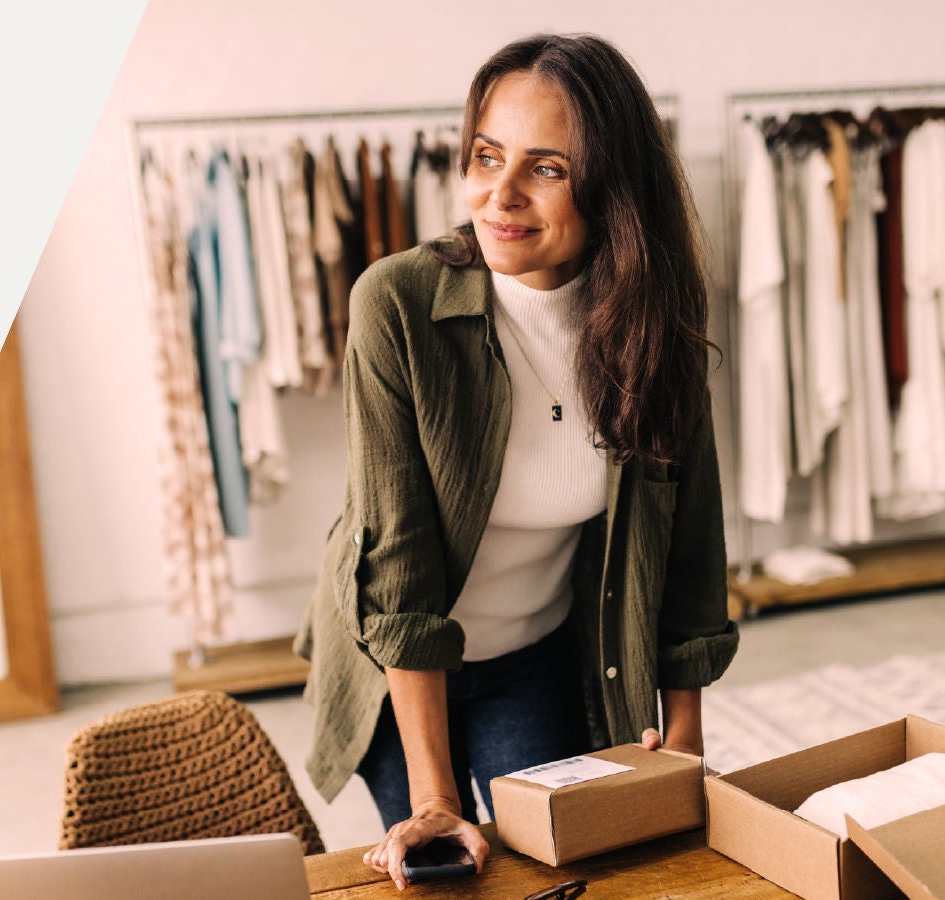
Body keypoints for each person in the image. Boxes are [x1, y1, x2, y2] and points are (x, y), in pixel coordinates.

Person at [291, 33, 739, 891]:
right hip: (397, 665)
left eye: (547, 169)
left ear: (611, 184)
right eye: (487, 156)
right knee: (444, 870)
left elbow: (690, 546)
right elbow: (400, 568)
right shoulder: (399, 304)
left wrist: (684, 736)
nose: (500, 195)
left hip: (535, 653)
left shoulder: (655, 326)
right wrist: (432, 799)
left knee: (557, 870)